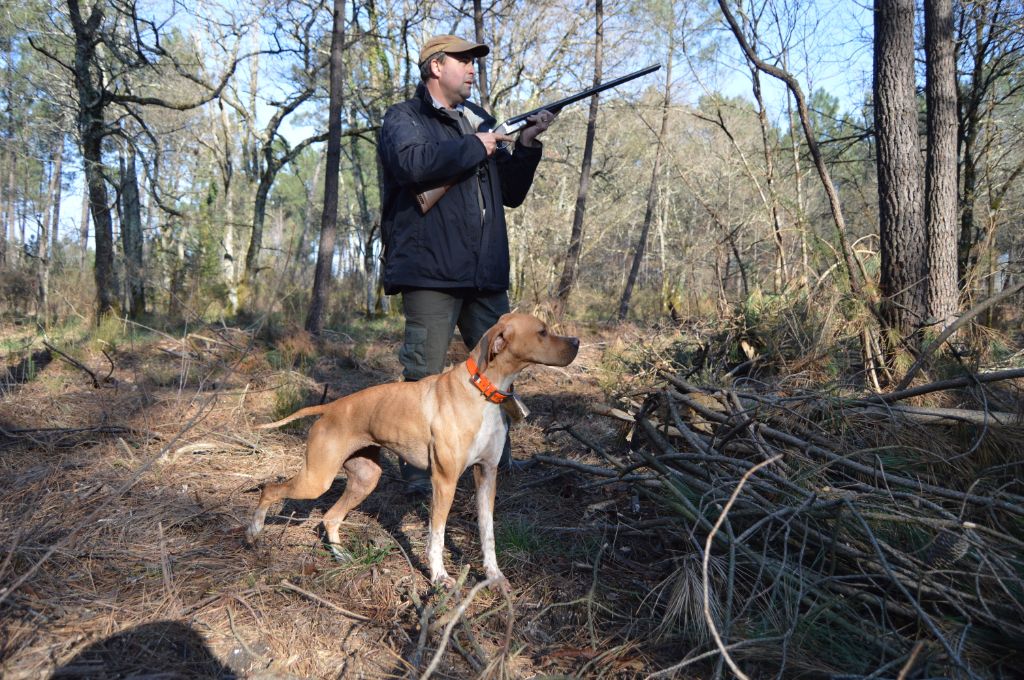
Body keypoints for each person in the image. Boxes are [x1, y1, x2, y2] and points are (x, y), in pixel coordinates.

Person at [377, 34, 555, 491]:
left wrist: (526, 144)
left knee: (500, 371)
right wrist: (476, 146)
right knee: (424, 373)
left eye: (474, 61)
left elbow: (511, 194)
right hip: (430, 272)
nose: (473, 68)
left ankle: (496, 460)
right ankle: (420, 474)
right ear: (436, 67)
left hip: (485, 274)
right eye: (463, 60)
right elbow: (412, 165)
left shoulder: (481, 121)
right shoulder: (404, 117)